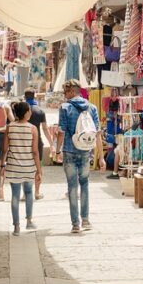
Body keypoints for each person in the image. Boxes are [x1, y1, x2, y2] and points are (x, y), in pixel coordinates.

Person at [56, 79, 106, 233]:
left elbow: (61, 132)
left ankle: (75, 224)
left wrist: (57, 151)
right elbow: (97, 134)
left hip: (69, 151)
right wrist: (101, 157)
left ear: (72, 91)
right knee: (84, 184)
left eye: (65, 92)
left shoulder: (65, 107)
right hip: (85, 151)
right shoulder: (92, 107)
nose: (65, 96)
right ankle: (85, 219)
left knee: (72, 186)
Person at [1, 101, 42, 236]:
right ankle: (29, 221)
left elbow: (4, 149)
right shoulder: (32, 128)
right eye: (29, 110)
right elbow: (35, 151)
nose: (30, 113)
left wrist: (2, 165)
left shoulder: (9, 127)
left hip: (13, 167)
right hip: (29, 166)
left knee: (15, 195)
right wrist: (39, 170)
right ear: (25, 113)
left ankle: (16, 226)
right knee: (29, 193)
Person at [24, 88, 54, 199]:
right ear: (34, 96)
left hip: (24, 142)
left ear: (25, 97)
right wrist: (51, 143)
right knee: (37, 167)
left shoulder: (21, 110)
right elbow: (45, 129)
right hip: (37, 142)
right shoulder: (40, 111)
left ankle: (25, 193)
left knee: (25, 167)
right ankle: (36, 192)